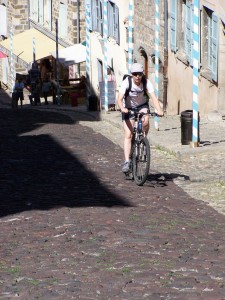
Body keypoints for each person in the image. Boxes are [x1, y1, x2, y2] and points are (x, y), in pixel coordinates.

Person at [117, 63, 163, 173]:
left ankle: (143, 138)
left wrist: (159, 110)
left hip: (142, 106)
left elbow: (153, 98)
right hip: (128, 108)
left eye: (140, 74)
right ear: (131, 74)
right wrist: (122, 108)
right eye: (135, 74)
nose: (137, 76)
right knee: (128, 134)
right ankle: (127, 161)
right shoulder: (126, 83)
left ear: (142, 74)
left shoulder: (146, 82)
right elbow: (119, 99)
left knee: (146, 120)